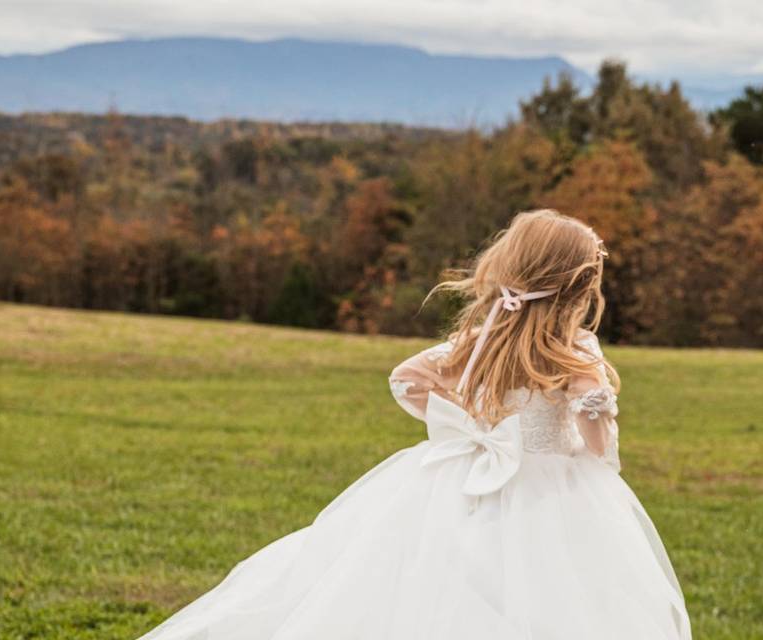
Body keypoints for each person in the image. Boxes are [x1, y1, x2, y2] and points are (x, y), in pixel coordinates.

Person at [138, 209, 692, 639]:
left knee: (437, 583)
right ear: (579, 286)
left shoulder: (479, 340)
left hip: (461, 477)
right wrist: (599, 461)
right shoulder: (574, 350)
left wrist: (465, 429)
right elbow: (594, 416)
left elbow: (406, 378)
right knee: (557, 598)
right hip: (552, 491)